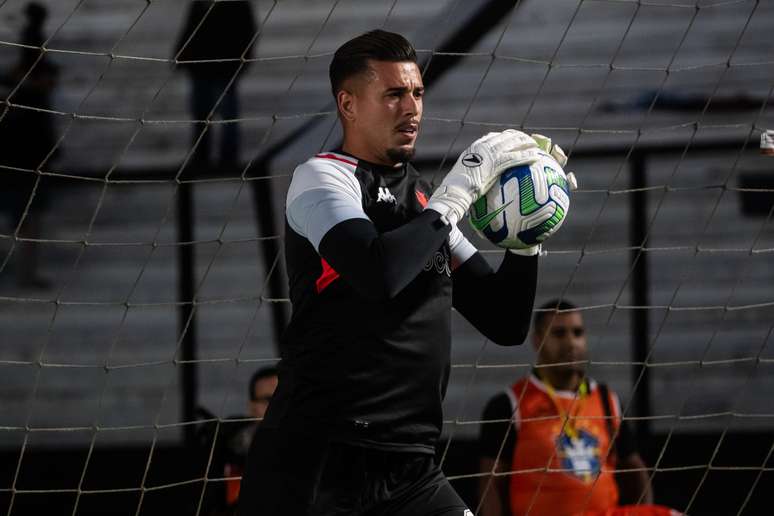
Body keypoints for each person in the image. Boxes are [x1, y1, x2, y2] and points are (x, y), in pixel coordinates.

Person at [238, 30, 568, 516]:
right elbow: (379, 273)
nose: (411, 109)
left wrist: (528, 233)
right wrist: (458, 192)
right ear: (348, 104)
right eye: (394, 94)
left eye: (417, 93)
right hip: (318, 461)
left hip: (411, 468)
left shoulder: (423, 201)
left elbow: (505, 321)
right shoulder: (323, 177)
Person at [477, 300, 654, 516]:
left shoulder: (607, 400)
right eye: (559, 334)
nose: (571, 342)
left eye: (577, 333)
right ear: (537, 340)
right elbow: (490, 486)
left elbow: (636, 473)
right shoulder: (510, 404)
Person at [0, 2, 59, 288]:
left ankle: (25, 272)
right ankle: (25, 273)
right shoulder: (28, 96)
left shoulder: (25, 93)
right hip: (24, 158)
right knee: (27, 218)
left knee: (27, 218)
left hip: (26, 158)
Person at [174, 1, 257, 166]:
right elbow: (190, 28)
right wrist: (180, 54)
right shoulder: (203, 3)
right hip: (203, 67)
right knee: (202, 114)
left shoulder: (237, 4)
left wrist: (243, 60)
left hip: (223, 68)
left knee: (225, 115)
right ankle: (203, 156)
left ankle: (226, 157)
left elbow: (248, 31)